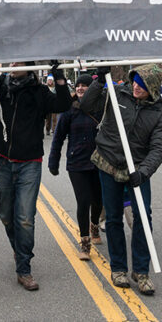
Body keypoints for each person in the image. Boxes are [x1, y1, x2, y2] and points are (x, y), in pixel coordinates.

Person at [0, 61, 71, 291]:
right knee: (6, 215)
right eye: (11, 61)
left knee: (25, 218)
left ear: (30, 66)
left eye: (18, 62)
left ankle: (24, 268)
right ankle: (19, 248)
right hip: (2, 159)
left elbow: (63, 103)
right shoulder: (1, 87)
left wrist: (57, 75)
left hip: (29, 163)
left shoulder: (39, 92)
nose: (12, 65)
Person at [80, 65, 162, 295]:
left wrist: (144, 171)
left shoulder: (160, 113)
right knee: (113, 219)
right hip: (108, 162)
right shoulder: (117, 93)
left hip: (137, 170)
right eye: (136, 81)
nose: (138, 87)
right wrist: (99, 80)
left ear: (153, 88)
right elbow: (87, 105)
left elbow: (159, 147)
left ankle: (141, 271)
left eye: (144, 84)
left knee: (143, 218)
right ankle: (118, 268)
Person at [48, 73, 102, 260]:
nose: (80, 88)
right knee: (83, 201)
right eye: (78, 85)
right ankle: (85, 242)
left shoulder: (100, 108)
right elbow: (58, 138)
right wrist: (53, 162)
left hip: (99, 163)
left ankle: (94, 224)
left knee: (98, 200)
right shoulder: (69, 110)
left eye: (84, 86)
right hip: (77, 164)